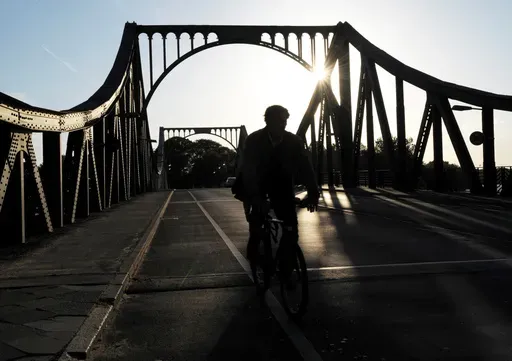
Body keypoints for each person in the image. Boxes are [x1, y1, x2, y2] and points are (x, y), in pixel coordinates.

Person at [233, 105, 319, 282]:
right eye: (278, 121)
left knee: (291, 230)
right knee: (257, 226)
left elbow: (306, 167)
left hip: (281, 185)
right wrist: (256, 198)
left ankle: (285, 269)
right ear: (268, 121)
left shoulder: (294, 141)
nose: (282, 125)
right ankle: (256, 258)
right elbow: (249, 172)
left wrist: (313, 192)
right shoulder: (254, 140)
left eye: (285, 121)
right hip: (257, 184)